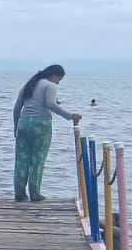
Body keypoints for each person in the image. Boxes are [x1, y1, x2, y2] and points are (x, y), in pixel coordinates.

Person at [12, 64, 81, 202]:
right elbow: (50, 104)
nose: (58, 82)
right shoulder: (50, 86)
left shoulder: (29, 85)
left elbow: (17, 107)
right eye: (59, 79)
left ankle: (19, 193)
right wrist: (70, 116)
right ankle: (35, 193)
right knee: (38, 159)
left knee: (21, 160)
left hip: (23, 123)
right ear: (54, 75)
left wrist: (16, 127)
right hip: (41, 124)